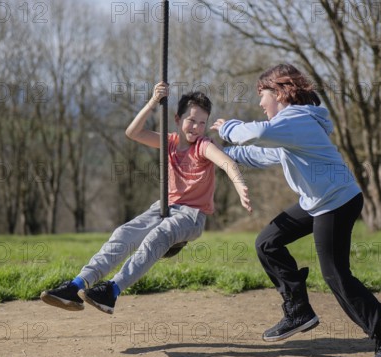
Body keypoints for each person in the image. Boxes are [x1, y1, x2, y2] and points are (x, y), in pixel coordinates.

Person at [210, 64, 381, 357]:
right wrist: (223, 153)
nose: (260, 104)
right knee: (268, 242)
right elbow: (265, 154)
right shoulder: (290, 126)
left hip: (337, 202)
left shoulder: (296, 119)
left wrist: (227, 128)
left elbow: (256, 134)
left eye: (261, 95)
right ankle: (298, 311)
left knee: (336, 275)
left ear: (278, 92)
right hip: (317, 201)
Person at [41, 82, 252, 315]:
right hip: (163, 207)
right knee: (122, 234)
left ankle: (112, 290)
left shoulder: (203, 145)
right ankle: (77, 285)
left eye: (202, 123)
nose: (197, 127)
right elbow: (133, 133)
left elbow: (226, 162)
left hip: (192, 215)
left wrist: (239, 183)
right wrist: (153, 102)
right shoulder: (170, 141)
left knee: (157, 236)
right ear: (177, 118)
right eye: (191, 120)